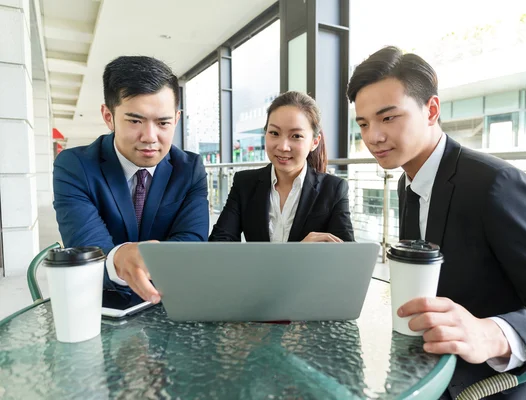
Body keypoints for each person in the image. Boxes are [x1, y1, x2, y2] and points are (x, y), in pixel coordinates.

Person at [347, 46, 526, 399]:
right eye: (363, 123)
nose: (373, 136)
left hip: (497, 387)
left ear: (431, 110)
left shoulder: (497, 185)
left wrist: (490, 334)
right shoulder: (409, 184)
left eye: (388, 118)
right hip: (432, 371)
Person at [53, 56, 209, 304]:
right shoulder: (75, 167)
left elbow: (192, 243)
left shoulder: (189, 170)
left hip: (170, 302)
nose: (150, 137)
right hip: (100, 303)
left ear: (176, 120)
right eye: (135, 120)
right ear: (108, 116)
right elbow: (87, 251)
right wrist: (119, 259)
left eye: (163, 123)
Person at [209, 91, 354, 243]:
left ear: (314, 142)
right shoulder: (244, 183)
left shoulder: (333, 188)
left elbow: (348, 255)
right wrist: (298, 252)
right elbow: (219, 241)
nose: (283, 146)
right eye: (274, 133)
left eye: (296, 136)